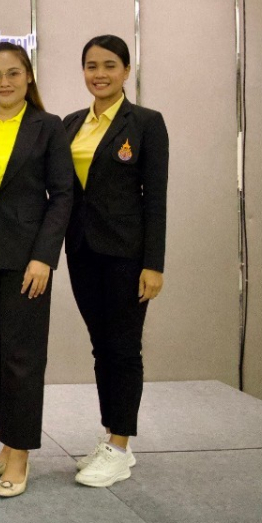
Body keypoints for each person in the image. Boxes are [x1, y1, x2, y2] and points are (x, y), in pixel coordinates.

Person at [0, 41, 72, 498]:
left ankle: (21, 451)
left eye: (12, 73)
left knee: (22, 357)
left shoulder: (49, 126)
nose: (4, 82)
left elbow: (62, 197)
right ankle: (6, 437)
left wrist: (44, 257)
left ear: (28, 77)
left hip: (28, 260)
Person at [64, 35, 169, 488]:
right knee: (101, 346)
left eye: (109, 65)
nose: (100, 74)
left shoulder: (145, 123)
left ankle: (121, 447)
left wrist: (154, 263)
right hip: (82, 252)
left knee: (124, 348)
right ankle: (111, 434)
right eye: (91, 66)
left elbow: (155, 200)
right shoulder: (71, 124)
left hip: (127, 256)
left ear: (126, 70)